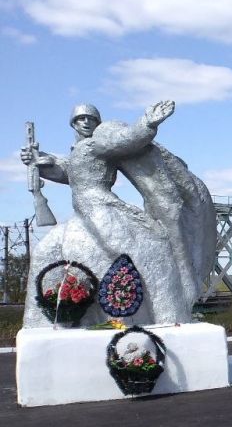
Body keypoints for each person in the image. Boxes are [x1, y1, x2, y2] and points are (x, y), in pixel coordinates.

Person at [20, 101, 214, 327]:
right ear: (72, 123)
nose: (85, 122)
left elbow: (126, 140)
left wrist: (147, 123)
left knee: (139, 246)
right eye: (80, 119)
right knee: (48, 249)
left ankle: (166, 310)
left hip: (101, 206)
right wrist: (39, 161)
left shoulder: (99, 144)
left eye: (90, 119)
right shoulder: (77, 152)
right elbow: (68, 172)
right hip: (88, 209)